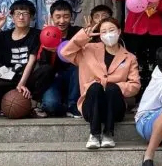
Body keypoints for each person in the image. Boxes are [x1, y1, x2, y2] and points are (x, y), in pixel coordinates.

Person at [60, 18, 141, 149]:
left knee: (111, 88)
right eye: (104, 31)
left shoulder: (129, 57)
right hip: (91, 105)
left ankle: (108, 134)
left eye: (111, 30)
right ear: (100, 35)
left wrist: (112, 85)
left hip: (114, 107)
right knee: (95, 87)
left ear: (119, 31)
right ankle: (94, 134)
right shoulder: (88, 49)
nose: (108, 34)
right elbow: (65, 53)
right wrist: (83, 36)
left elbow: (135, 85)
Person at [0, 0, 41, 118]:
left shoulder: (37, 35)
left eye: (25, 14)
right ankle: (4, 106)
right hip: (6, 78)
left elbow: (31, 60)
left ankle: (33, 105)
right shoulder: (3, 36)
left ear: (32, 17)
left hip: (26, 79)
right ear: (12, 16)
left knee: (46, 70)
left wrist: (21, 84)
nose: (21, 17)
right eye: (17, 14)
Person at [40, 0, 83, 117]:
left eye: (66, 16)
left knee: (78, 68)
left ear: (71, 17)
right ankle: (64, 107)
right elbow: (43, 65)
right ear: (52, 17)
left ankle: (73, 105)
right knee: (50, 105)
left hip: (74, 77)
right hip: (53, 78)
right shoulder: (45, 34)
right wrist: (48, 42)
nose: (62, 21)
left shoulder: (78, 32)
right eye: (58, 17)